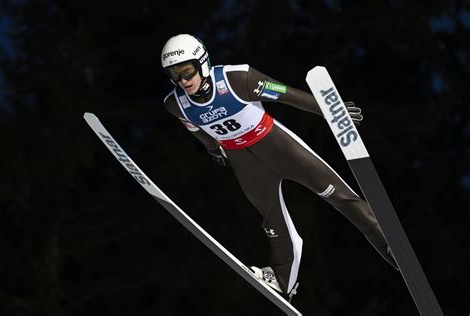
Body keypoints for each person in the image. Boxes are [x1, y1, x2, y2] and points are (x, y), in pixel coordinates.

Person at [161, 34, 397, 300]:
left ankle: (387, 242)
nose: (183, 80)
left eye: (187, 71)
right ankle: (283, 280)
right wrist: (213, 148)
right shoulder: (176, 104)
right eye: (174, 74)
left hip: (277, 146)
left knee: (338, 196)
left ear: (202, 63)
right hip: (244, 162)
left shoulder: (236, 79)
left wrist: (329, 112)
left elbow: (286, 95)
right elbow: (196, 128)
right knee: (273, 222)